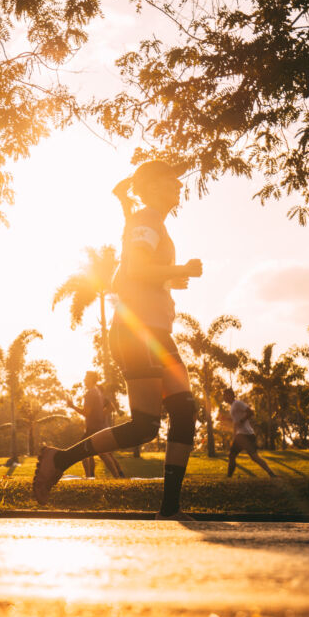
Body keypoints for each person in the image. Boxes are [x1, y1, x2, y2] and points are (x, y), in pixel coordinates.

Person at [34, 161, 204, 518]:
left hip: (155, 332)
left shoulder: (147, 222)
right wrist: (179, 270)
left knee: (184, 410)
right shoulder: (146, 222)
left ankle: (170, 508)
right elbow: (135, 270)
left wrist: (168, 279)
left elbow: (124, 277)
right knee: (145, 425)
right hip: (138, 331)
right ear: (152, 186)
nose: (177, 184)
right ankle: (59, 459)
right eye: (170, 178)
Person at [65, 372, 123, 479]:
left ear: (91, 379)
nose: (84, 380)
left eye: (86, 378)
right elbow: (110, 407)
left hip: (94, 428)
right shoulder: (98, 392)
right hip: (98, 426)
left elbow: (86, 413)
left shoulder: (90, 394)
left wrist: (72, 406)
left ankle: (90, 477)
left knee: (83, 451)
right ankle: (114, 476)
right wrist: (100, 415)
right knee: (102, 453)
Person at [223, 385, 276, 478]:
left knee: (233, 455)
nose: (224, 397)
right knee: (253, 457)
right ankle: (271, 473)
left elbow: (251, 412)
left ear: (230, 395)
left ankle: (228, 477)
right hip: (243, 435)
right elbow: (236, 422)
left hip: (244, 435)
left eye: (225, 395)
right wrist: (233, 434)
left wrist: (241, 421)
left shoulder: (237, 403)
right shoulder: (232, 407)